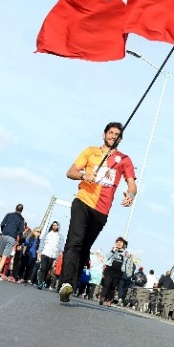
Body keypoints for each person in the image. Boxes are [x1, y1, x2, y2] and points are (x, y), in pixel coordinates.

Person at [59, 122, 137, 303]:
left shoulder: (124, 160)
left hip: (101, 210)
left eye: (117, 134)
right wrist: (83, 175)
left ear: (121, 138)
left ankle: (70, 285)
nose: (113, 136)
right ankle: (66, 283)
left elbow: (131, 183)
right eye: (110, 133)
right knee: (75, 241)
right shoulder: (90, 151)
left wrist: (130, 194)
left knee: (85, 248)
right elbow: (70, 172)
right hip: (83, 200)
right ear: (104, 134)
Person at [0, 204, 25, 280]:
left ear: (15, 208)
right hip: (12, 237)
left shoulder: (9, 215)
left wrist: (3, 231)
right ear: (22, 210)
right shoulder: (21, 219)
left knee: (0, 254)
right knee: (5, 255)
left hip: (4, 235)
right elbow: (20, 232)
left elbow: (2, 224)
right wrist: (19, 242)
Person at [99, 237, 127, 305]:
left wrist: (123, 269)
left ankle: (109, 300)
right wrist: (113, 250)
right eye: (118, 242)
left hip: (118, 272)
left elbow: (125, 262)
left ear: (123, 244)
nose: (119, 243)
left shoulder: (125, 252)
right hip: (109, 269)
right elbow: (107, 256)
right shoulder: (113, 249)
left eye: (121, 242)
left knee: (113, 286)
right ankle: (102, 297)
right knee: (106, 284)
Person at [36, 221, 64, 289]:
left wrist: (60, 253)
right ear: (52, 226)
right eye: (53, 225)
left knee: (47, 269)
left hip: (53, 254)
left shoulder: (60, 236)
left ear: (58, 227)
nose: (54, 226)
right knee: (42, 268)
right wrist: (39, 251)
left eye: (56, 225)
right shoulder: (47, 234)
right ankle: (40, 282)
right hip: (45, 252)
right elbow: (42, 242)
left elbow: (61, 246)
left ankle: (43, 282)